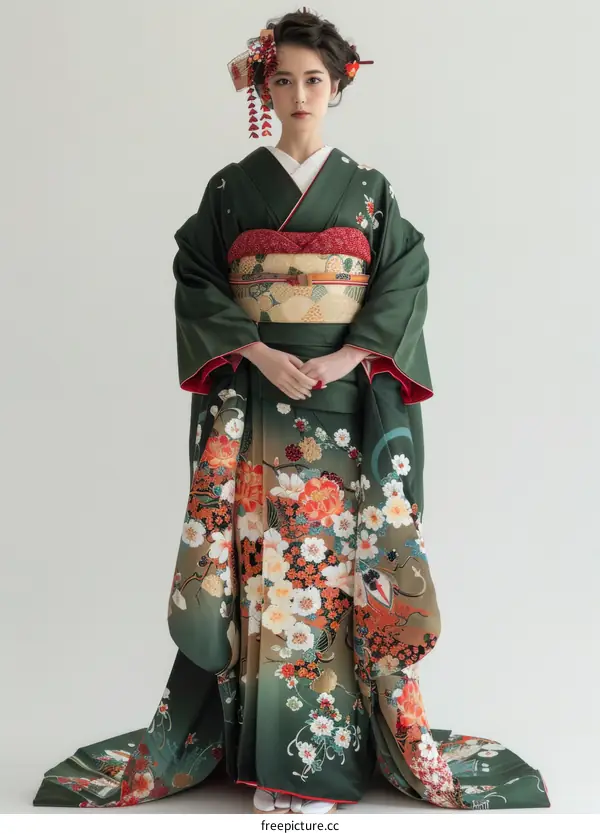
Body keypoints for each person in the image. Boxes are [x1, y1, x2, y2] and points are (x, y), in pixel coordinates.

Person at [32, 7, 550, 814]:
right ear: (263, 88)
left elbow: (403, 279)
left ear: (338, 85)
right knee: (262, 579)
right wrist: (257, 349)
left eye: (315, 79)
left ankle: (329, 758)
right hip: (258, 407)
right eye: (284, 79)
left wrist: (348, 353)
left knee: (334, 578)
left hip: (343, 406)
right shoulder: (232, 189)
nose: (299, 94)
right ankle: (268, 759)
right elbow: (198, 276)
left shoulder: (371, 191)